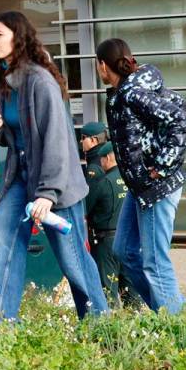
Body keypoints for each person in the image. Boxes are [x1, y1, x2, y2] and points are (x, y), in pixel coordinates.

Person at [0, 11, 109, 321]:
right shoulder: (4, 77)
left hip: (57, 183)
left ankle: (100, 325)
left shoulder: (40, 80)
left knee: (73, 258)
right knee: (3, 244)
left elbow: (57, 139)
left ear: (17, 37)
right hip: (20, 176)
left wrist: (47, 194)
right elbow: (17, 136)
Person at [95, 37, 186, 314]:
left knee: (155, 261)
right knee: (124, 250)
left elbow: (179, 120)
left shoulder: (134, 93)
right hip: (141, 188)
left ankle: (179, 324)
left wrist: (161, 166)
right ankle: (166, 312)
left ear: (103, 66)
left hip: (156, 187)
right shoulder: (123, 92)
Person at [78, 124, 137, 308]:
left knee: (107, 289)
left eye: (83, 138)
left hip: (106, 241)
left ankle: (111, 328)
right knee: (130, 288)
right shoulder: (129, 178)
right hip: (127, 238)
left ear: (109, 158)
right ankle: (137, 325)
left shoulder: (98, 176)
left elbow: (86, 205)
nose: (81, 142)